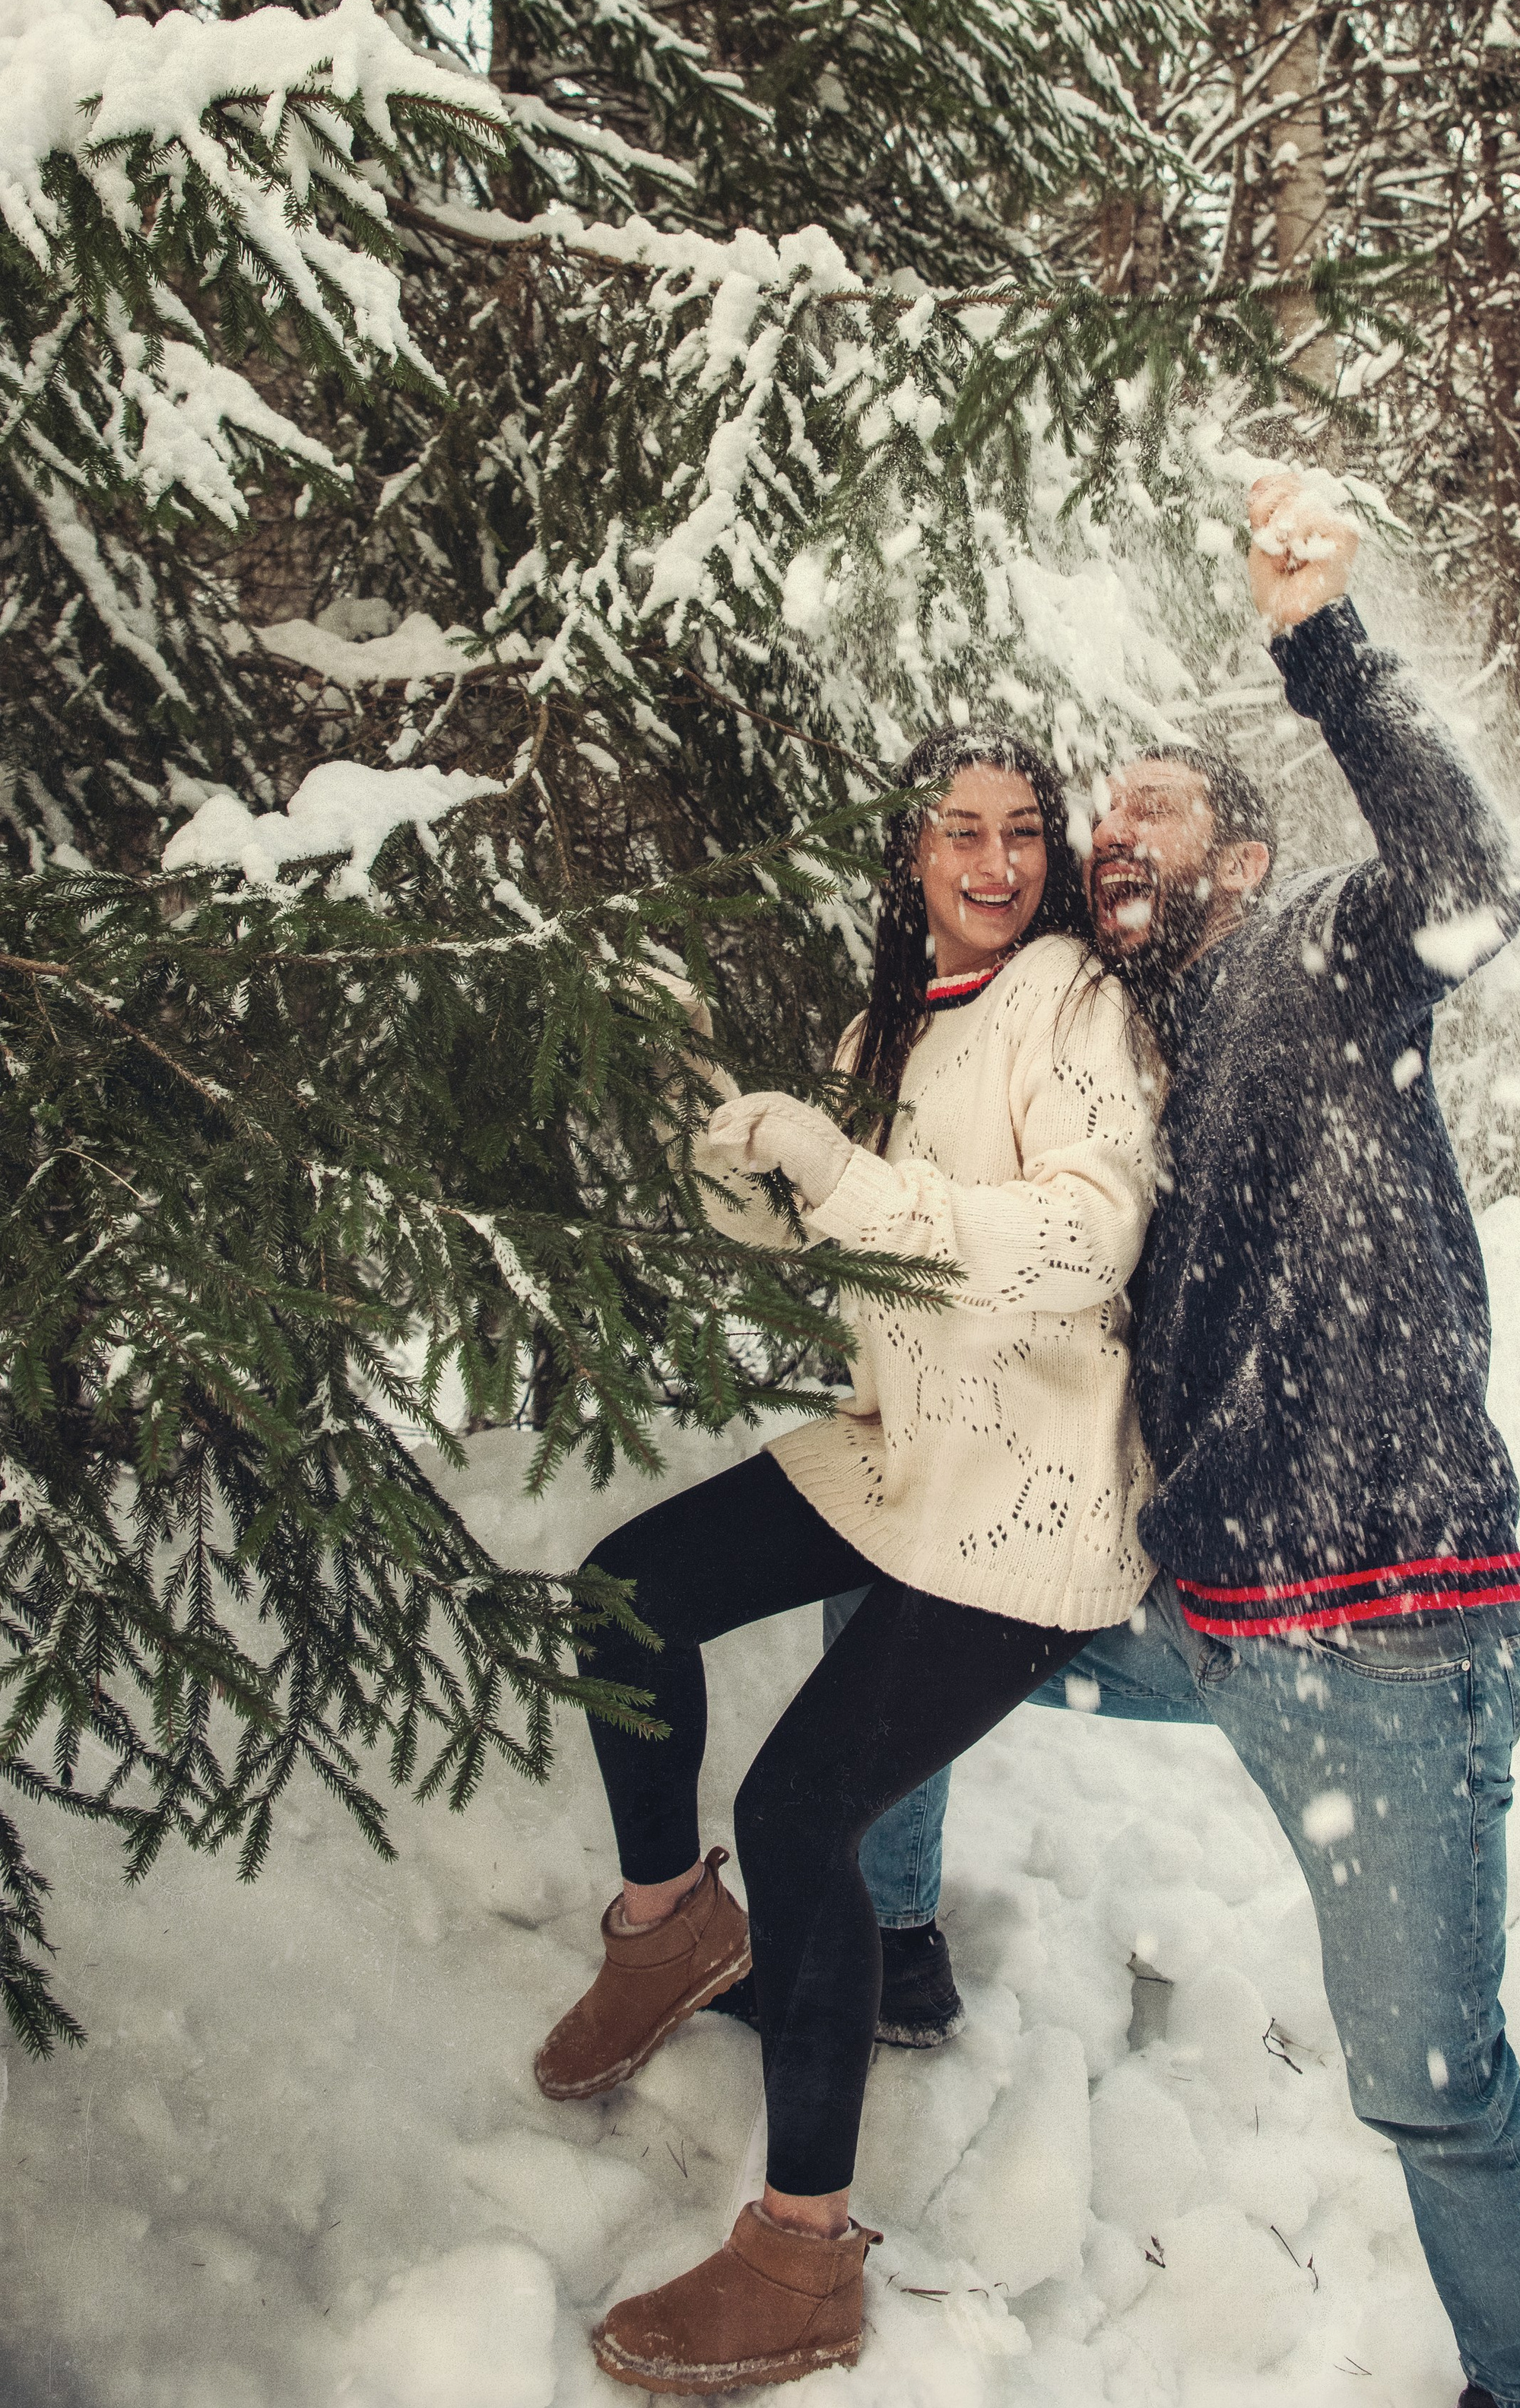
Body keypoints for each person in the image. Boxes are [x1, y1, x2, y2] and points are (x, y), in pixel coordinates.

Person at [835, 474, 1520, 2408]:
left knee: (1426, 2090)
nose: (1111, 836)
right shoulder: (1123, 1060)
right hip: (1194, 1618)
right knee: (895, 1613)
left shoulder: (1323, 966)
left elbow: (1471, 884)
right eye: (1106, 821)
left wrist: (1317, 645)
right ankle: (897, 1942)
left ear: (1242, 861)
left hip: (1387, 1639)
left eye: (1154, 806)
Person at [532, 727, 1157, 2395]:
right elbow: (861, 1228)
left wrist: (851, 1177)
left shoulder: (1074, 1009)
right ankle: (667, 1927)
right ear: (908, 852)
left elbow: (1084, 1234)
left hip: (1029, 1497)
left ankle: (802, 2256)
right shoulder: (883, 1022)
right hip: (902, 1451)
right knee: (623, 1593)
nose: (996, 862)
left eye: (1023, 831)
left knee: (801, 1809)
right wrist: (764, 1190)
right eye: (959, 830)